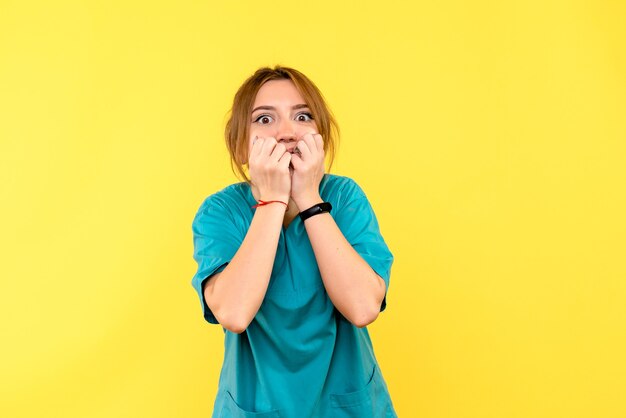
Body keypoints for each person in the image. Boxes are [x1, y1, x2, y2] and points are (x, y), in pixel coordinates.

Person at [191, 65, 397, 417]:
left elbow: (363, 307)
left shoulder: (344, 197)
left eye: (303, 116)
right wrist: (273, 200)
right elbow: (235, 313)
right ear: (241, 145)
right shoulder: (220, 212)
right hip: (255, 405)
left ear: (321, 135)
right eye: (265, 120)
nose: (288, 132)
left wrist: (309, 199)